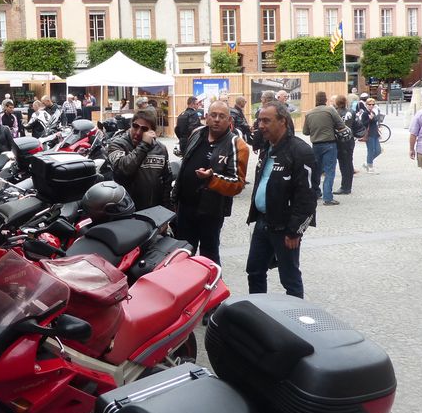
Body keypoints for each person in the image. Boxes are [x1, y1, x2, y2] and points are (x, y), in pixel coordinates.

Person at [245, 102, 316, 298]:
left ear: (282, 121)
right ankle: (258, 314)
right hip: (262, 221)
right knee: (254, 270)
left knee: (289, 278)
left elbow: (308, 197)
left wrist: (295, 231)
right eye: (259, 120)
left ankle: (295, 321)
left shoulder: (301, 151)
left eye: (266, 121)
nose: (261, 125)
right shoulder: (267, 147)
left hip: (285, 228)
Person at [171, 101, 249, 263]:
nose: (217, 119)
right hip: (185, 207)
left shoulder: (237, 145)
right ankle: (185, 286)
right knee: (183, 252)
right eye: (213, 115)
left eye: (222, 116)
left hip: (211, 211)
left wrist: (211, 179)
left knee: (209, 255)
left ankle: (211, 287)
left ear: (229, 121)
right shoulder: (197, 133)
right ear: (206, 117)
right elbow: (185, 163)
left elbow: (237, 184)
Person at [105, 108, 173, 211]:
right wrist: (144, 145)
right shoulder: (117, 144)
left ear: (152, 132)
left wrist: (165, 212)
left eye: (144, 129)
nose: (138, 132)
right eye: (135, 126)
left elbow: (166, 182)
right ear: (130, 125)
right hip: (126, 211)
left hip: (153, 210)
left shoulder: (160, 149)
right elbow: (123, 170)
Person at [301, 91, 351, 206]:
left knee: (316, 170)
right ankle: (328, 198)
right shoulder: (330, 110)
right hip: (329, 144)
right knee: (329, 171)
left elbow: (305, 132)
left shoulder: (309, 113)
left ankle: (315, 193)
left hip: (315, 145)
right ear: (325, 100)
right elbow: (341, 125)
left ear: (316, 100)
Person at [333, 94, 356, 195]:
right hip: (350, 139)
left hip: (339, 140)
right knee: (349, 162)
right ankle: (348, 185)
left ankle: (345, 187)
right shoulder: (351, 112)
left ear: (337, 103)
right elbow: (356, 125)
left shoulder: (335, 113)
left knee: (343, 164)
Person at [356, 97, 382, 173]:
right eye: (369, 104)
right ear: (366, 105)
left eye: (373, 104)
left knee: (378, 150)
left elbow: (375, 121)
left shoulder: (373, 112)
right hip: (369, 134)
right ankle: (370, 166)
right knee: (371, 150)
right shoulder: (364, 113)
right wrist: (369, 119)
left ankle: (367, 162)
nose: (371, 106)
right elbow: (362, 124)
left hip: (375, 133)